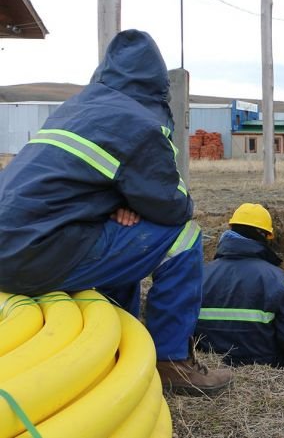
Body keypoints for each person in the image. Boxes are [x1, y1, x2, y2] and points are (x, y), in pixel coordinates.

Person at [0, 29, 233, 397]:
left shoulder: (75, 108)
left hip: (17, 244)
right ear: (156, 87)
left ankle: (116, 345)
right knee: (184, 235)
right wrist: (132, 204)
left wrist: (113, 205)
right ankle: (171, 361)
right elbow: (171, 205)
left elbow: (71, 184)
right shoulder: (140, 123)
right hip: (37, 252)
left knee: (127, 239)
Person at [195, 204, 284, 368]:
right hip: (265, 366)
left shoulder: (201, 275)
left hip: (209, 369)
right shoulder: (276, 279)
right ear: (263, 235)